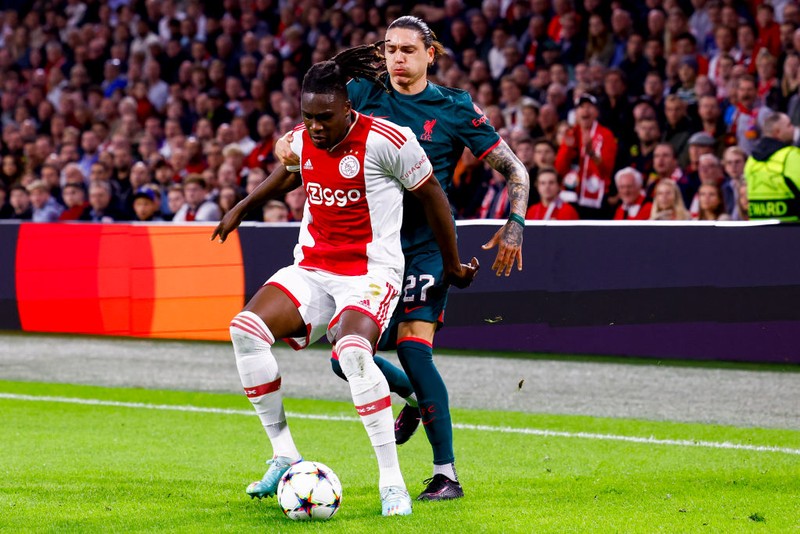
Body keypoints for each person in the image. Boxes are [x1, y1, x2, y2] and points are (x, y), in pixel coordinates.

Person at [211, 50, 478, 517]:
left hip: (371, 274)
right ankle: (284, 454)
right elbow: (288, 173)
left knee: (352, 353)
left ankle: (391, 483)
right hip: (313, 269)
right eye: (308, 117)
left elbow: (433, 196)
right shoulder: (304, 138)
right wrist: (240, 208)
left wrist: (452, 265)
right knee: (245, 329)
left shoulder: (389, 140)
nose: (316, 127)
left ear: (348, 107)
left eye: (325, 118)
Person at [275, 18, 529, 501]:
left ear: (430, 54)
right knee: (343, 357)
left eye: (408, 50)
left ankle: (446, 474)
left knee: (414, 349)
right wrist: (284, 145)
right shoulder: (360, 94)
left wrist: (515, 224)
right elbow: (300, 140)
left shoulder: (453, 107)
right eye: (391, 49)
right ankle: (413, 396)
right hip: (371, 252)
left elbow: (514, 169)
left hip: (427, 246)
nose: (397, 58)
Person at [744, 111, 800, 220]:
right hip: (791, 226)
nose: (793, 129)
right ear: (777, 132)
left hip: (758, 225)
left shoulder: (751, 160)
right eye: (789, 125)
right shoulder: (791, 156)